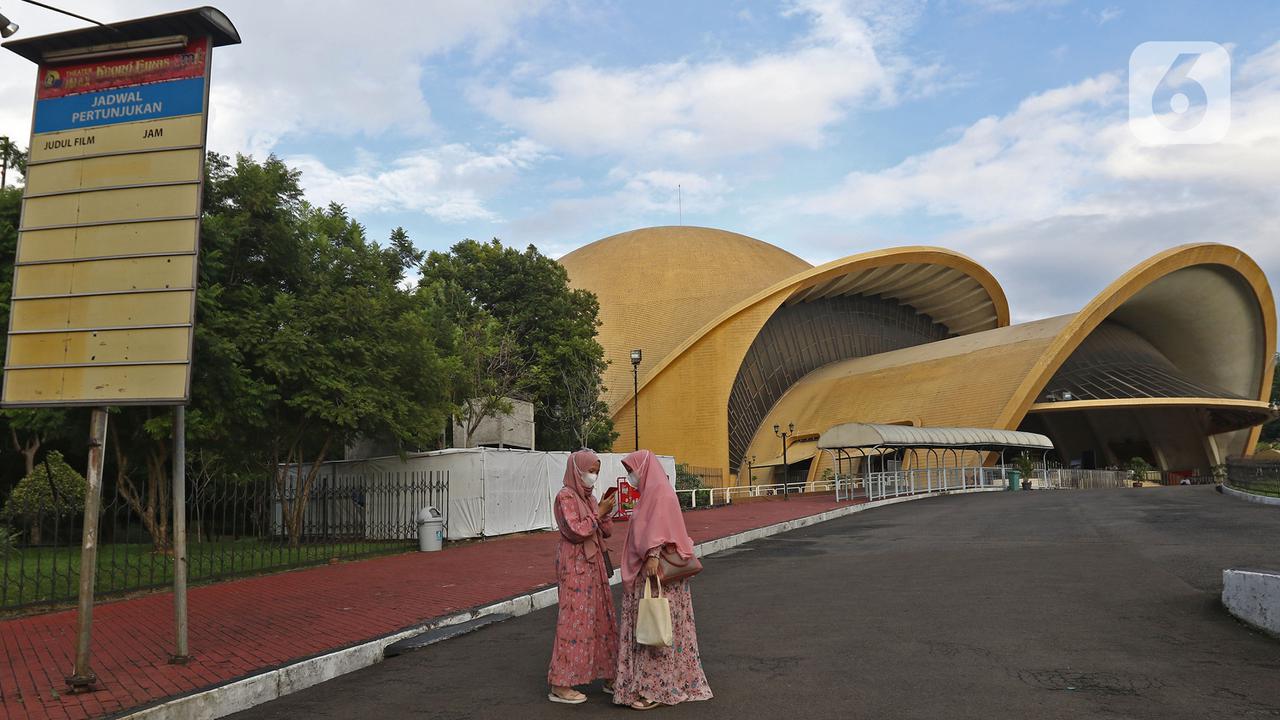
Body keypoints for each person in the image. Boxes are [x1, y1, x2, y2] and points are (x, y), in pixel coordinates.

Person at [613, 450, 713, 710]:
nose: (630, 476)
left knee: (657, 627)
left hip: (656, 574)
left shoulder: (659, 494)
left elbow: (659, 529)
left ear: (644, 468)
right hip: (648, 572)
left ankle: (656, 688)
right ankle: (644, 684)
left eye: (632, 470)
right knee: (652, 627)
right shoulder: (652, 493)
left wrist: (653, 554)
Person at [547, 449, 619, 704]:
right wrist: (598, 513)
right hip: (575, 565)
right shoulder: (565, 496)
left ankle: (609, 673)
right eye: (591, 471)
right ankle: (560, 683)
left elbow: (605, 531)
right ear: (576, 470)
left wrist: (606, 510)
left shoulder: (590, 498)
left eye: (597, 472)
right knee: (574, 621)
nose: (593, 476)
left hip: (594, 564)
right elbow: (576, 530)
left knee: (601, 618)